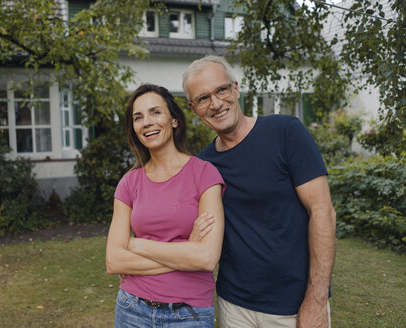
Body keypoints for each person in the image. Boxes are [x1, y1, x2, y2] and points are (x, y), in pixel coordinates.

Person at [183, 56, 336, 328]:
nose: (216, 103)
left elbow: (322, 212)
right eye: (203, 98)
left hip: (293, 306)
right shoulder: (204, 165)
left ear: (236, 88)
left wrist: (316, 297)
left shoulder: (285, 131)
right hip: (233, 305)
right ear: (193, 108)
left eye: (221, 90)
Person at [105, 84, 225, 327]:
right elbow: (115, 261)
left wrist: (137, 244)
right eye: (138, 117)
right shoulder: (129, 182)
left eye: (155, 112)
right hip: (131, 309)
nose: (146, 122)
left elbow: (206, 258)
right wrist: (185, 251)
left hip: (188, 313)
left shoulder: (204, 175)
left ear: (174, 120)